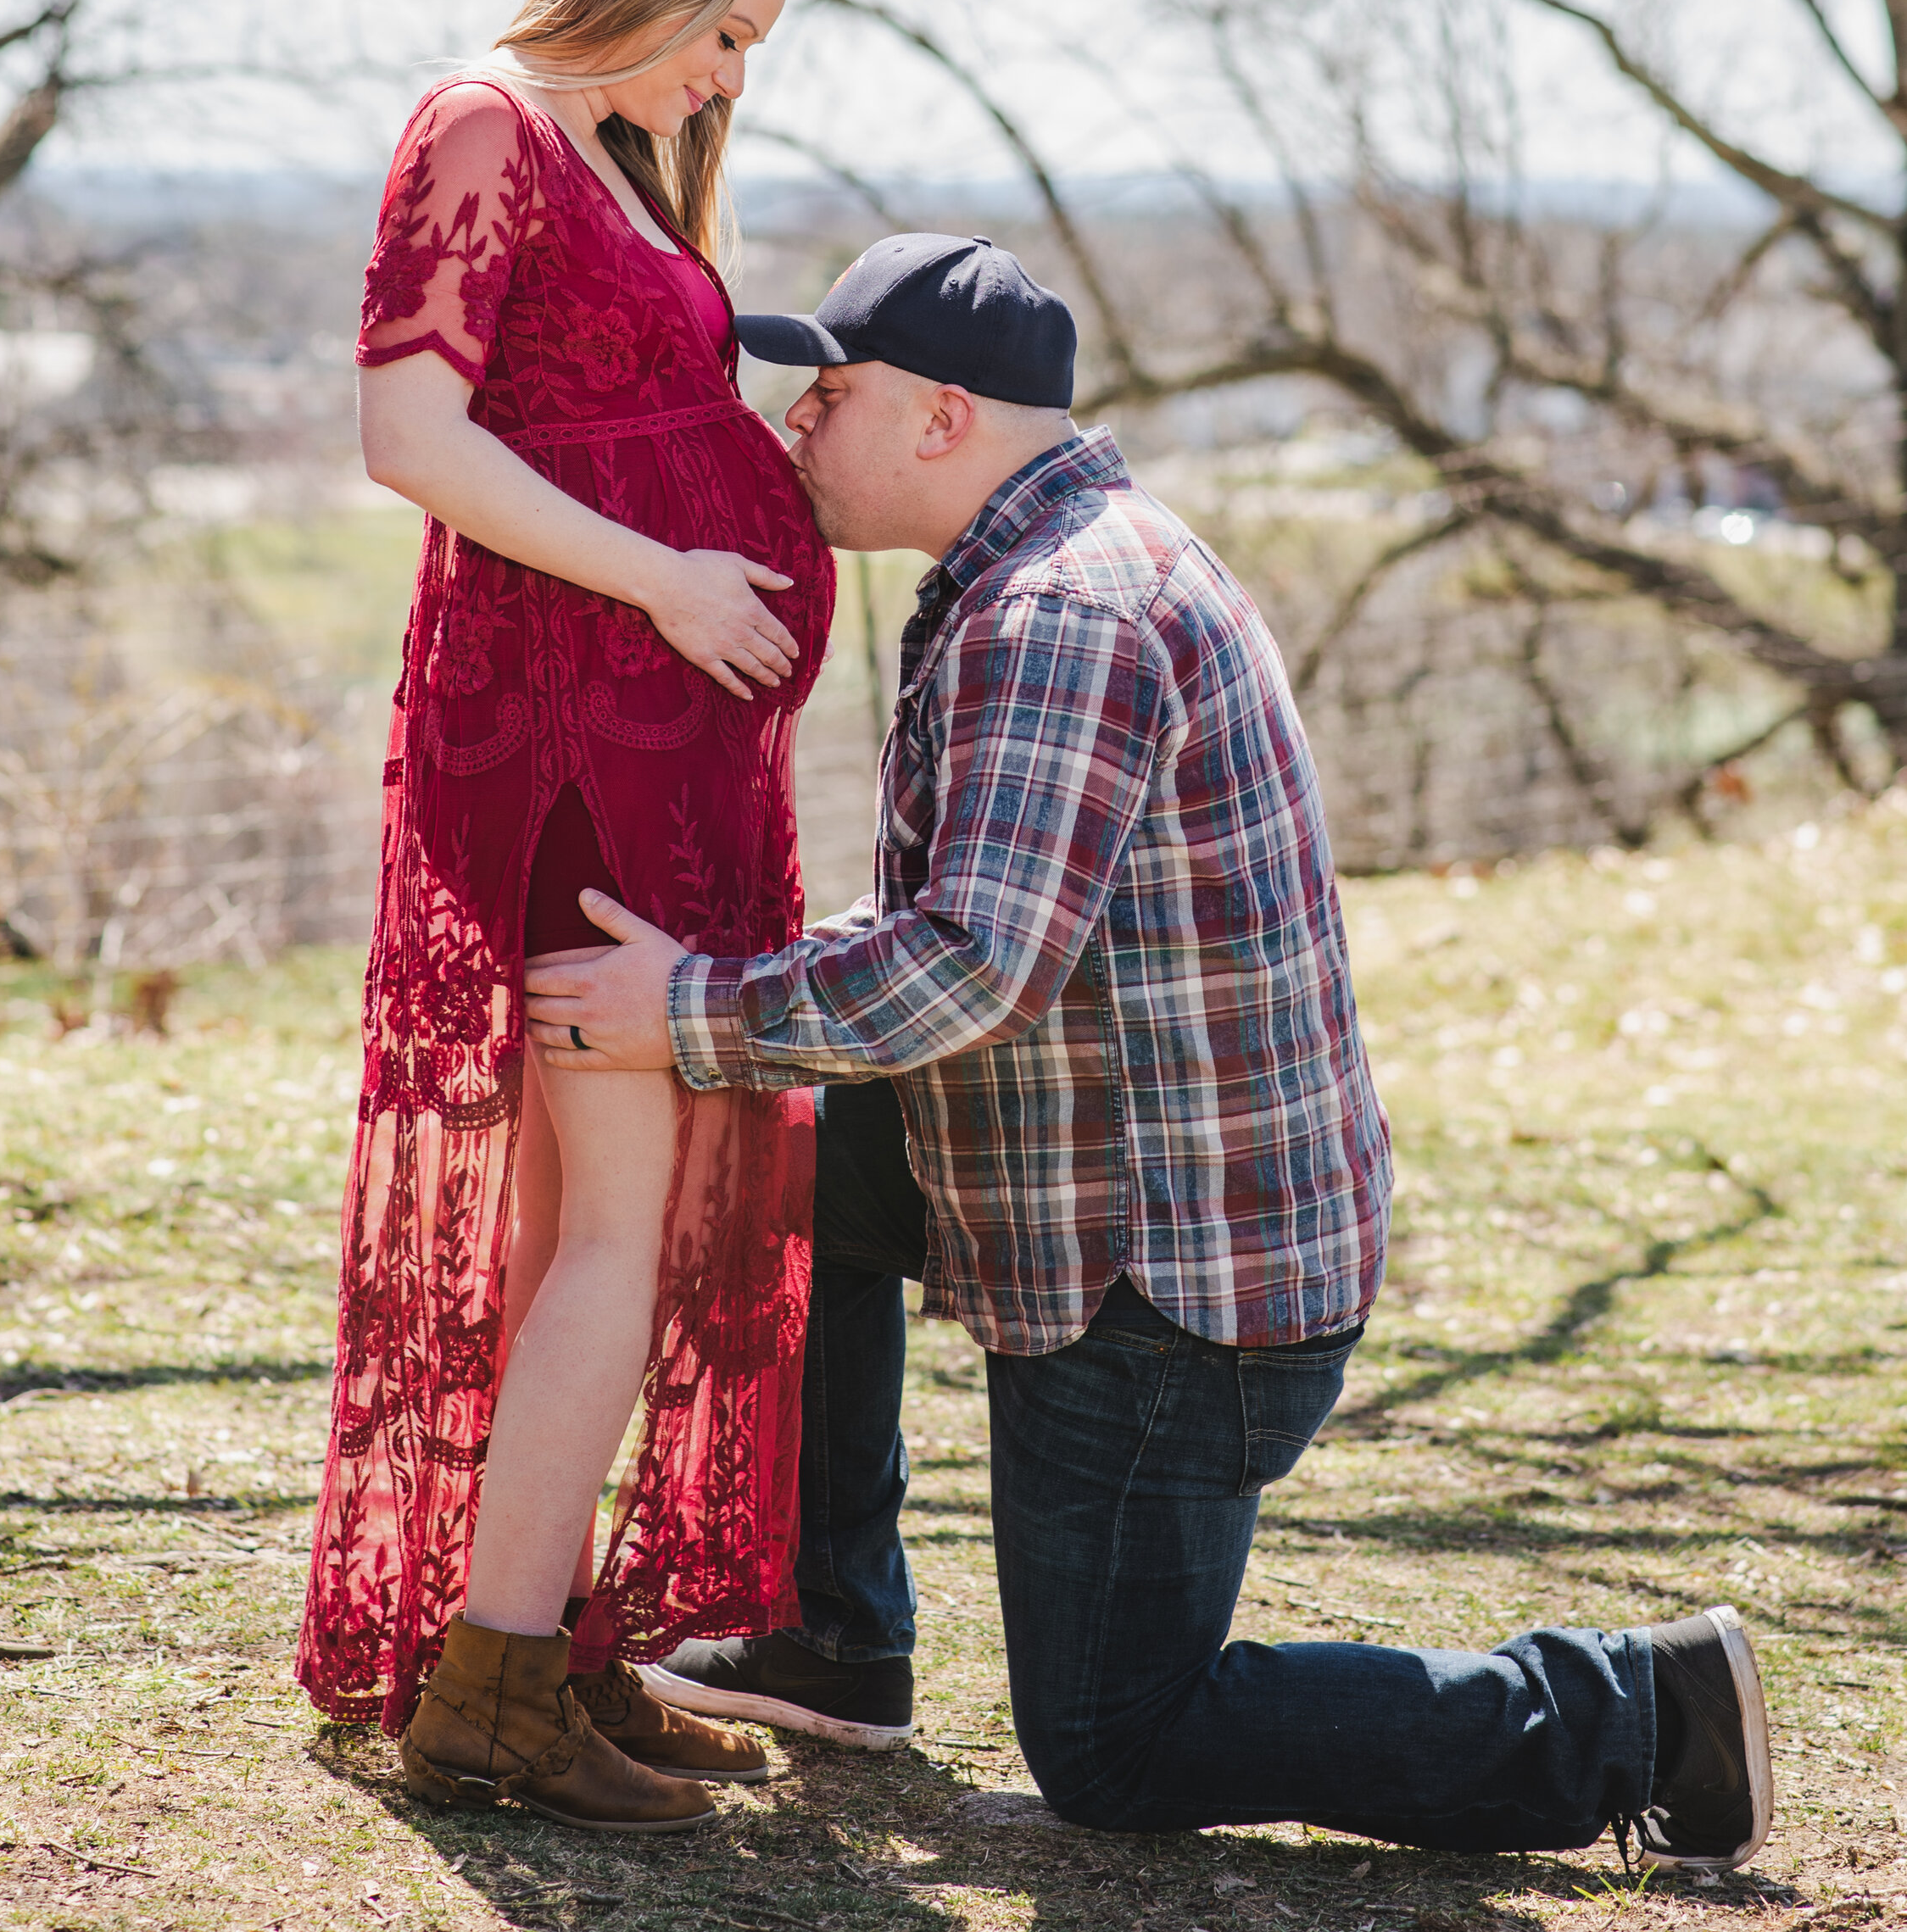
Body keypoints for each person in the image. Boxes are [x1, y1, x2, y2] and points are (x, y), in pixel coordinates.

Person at [524, 231, 1776, 1873]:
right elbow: (971, 920)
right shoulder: (1045, 561)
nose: (793, 424)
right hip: (1123, 1175)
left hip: (1169, 1285)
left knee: (1114, 1740)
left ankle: (1637, 1712)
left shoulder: (1057, 615)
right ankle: (834, 1636)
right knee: (800, 1165)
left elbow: (972, 965)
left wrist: (686, 1009)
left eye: (827, 393)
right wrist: (741, 991)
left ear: (939, 416)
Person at [296, 0, 837, 1836]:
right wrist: (673, 580)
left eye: (748, 49)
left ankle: (549, 1638)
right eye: (723, 31)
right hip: (561, 749)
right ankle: (495, 1696)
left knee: (580, 1224)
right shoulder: (479, 123)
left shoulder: (609, 157)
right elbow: (410, 437)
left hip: (654, 752)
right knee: (616, 1219)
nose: (729, 78)